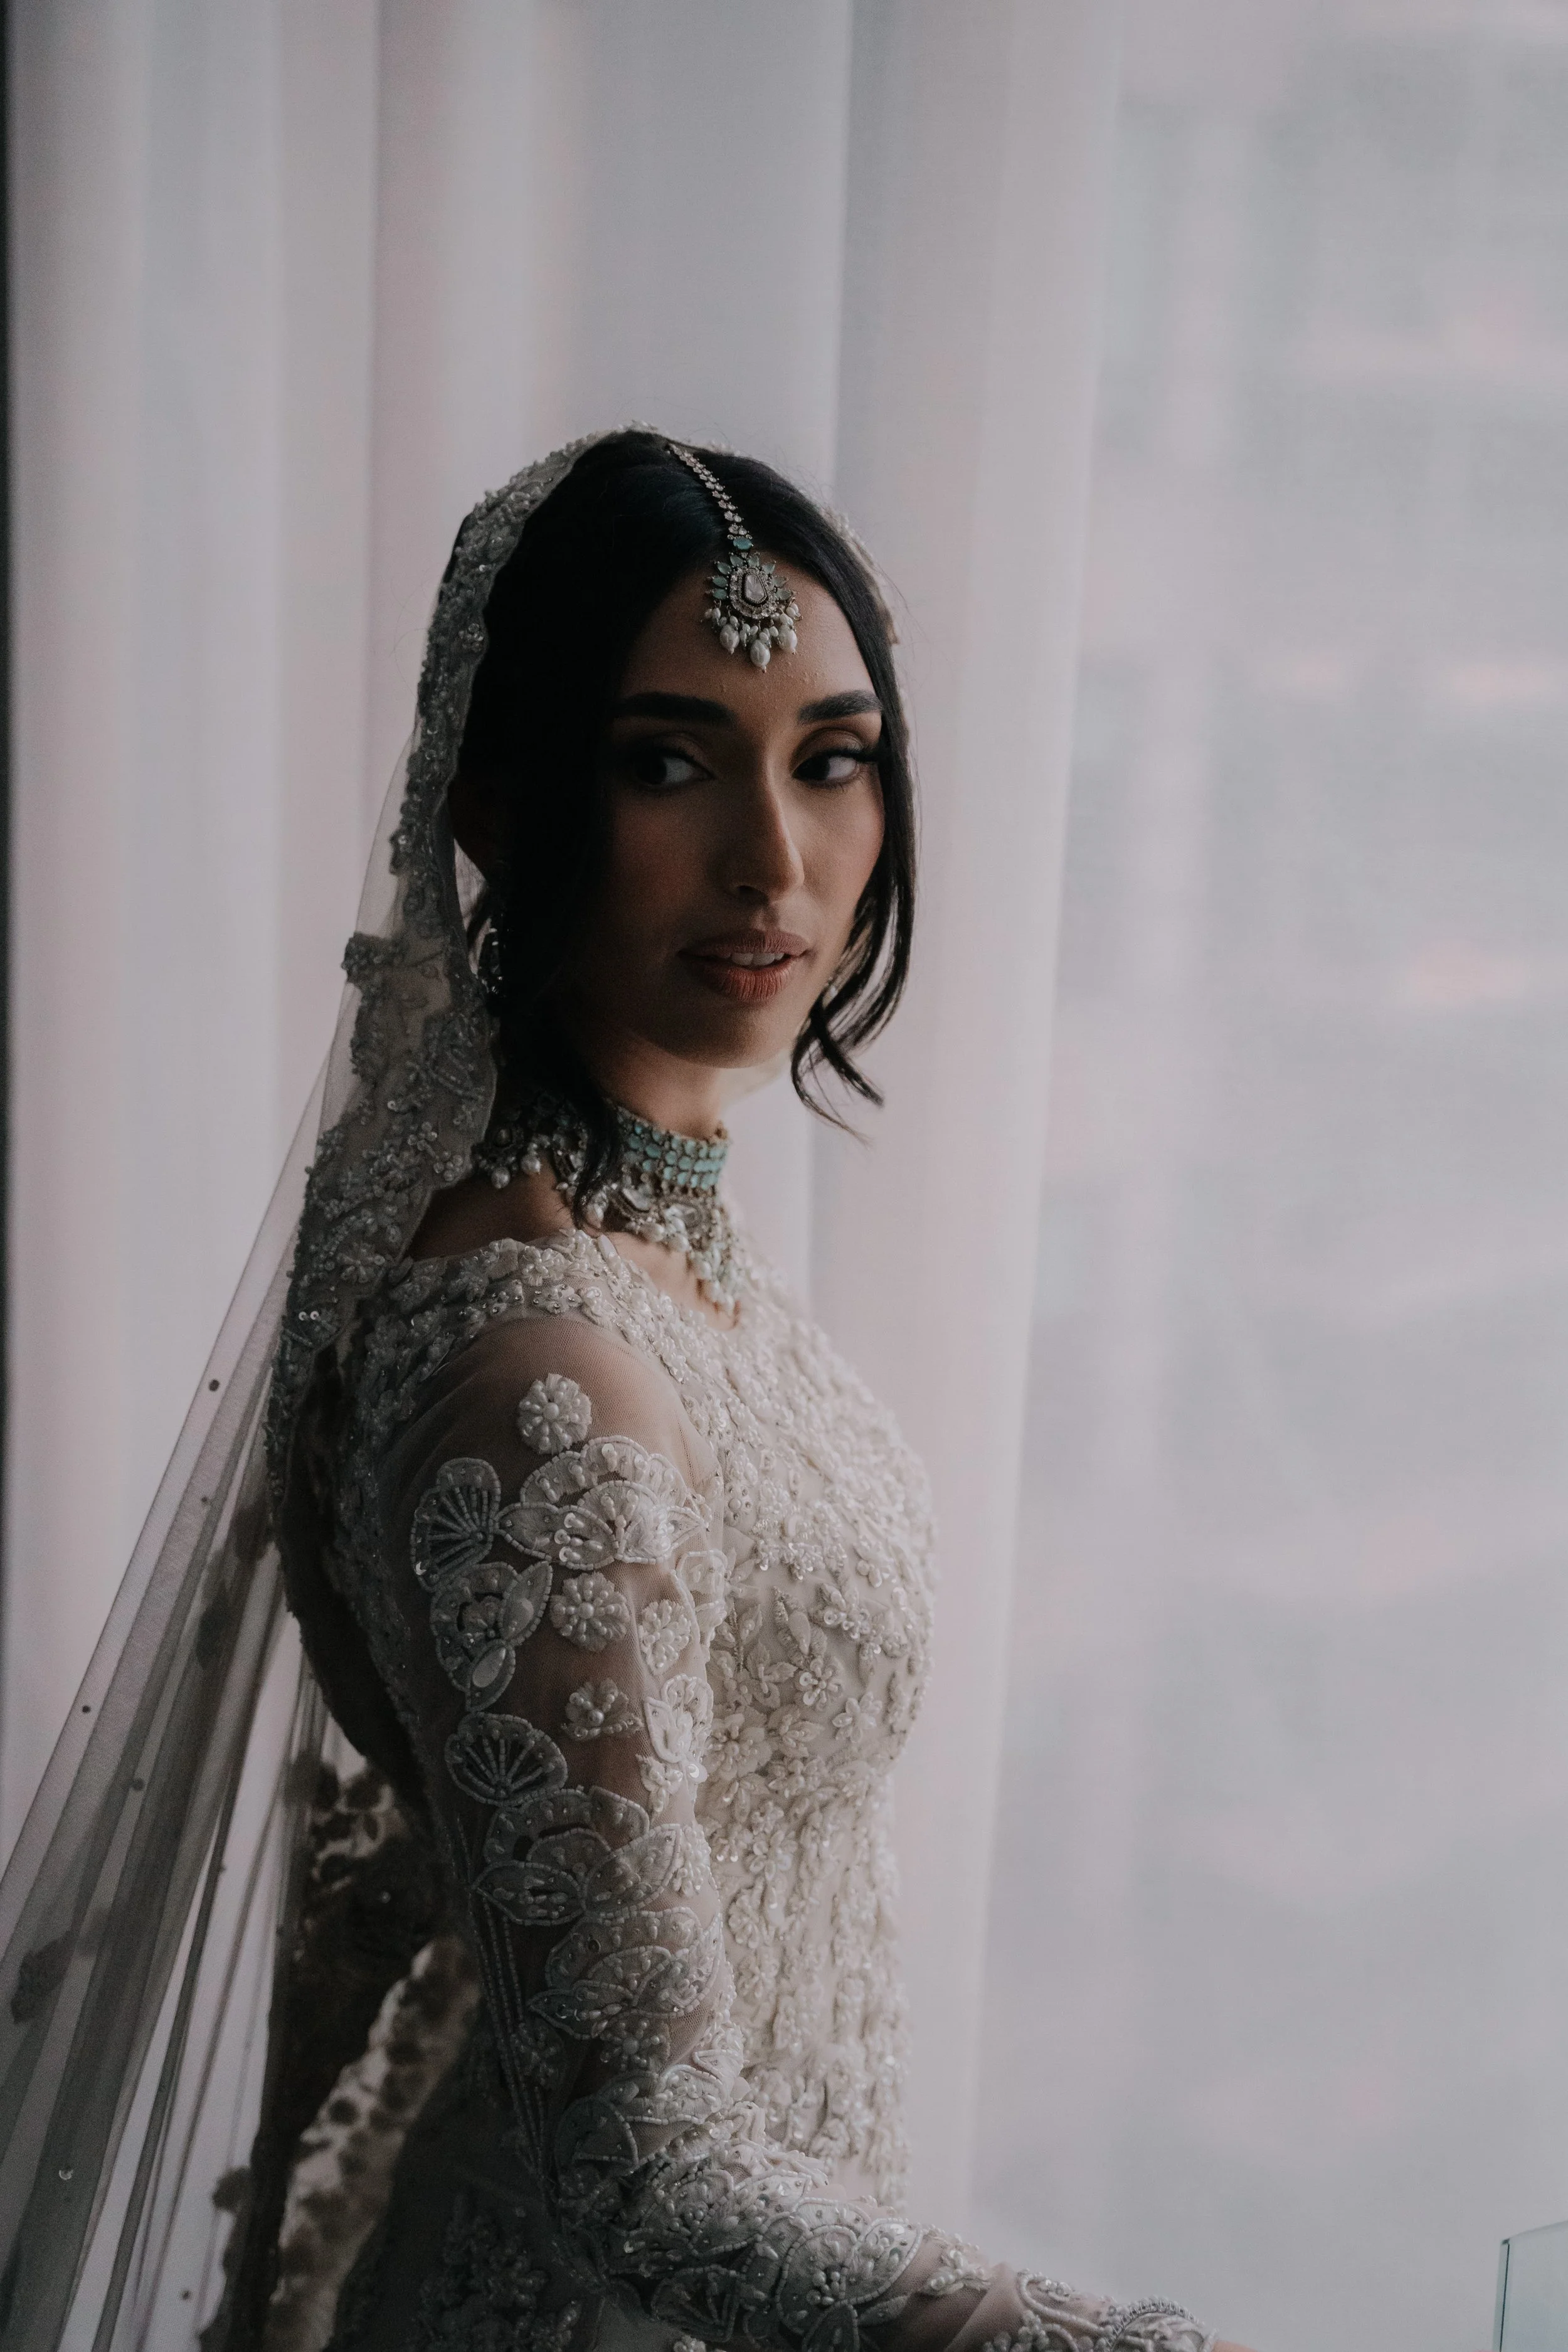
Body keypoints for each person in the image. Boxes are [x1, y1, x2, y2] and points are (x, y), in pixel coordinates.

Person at [0, 431, 1258, 2352]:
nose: (776, 861)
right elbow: (642, 2169)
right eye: (667, 761)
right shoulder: (541, 1380)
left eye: (830, 759)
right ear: (500, 801)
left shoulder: (661, 1272)